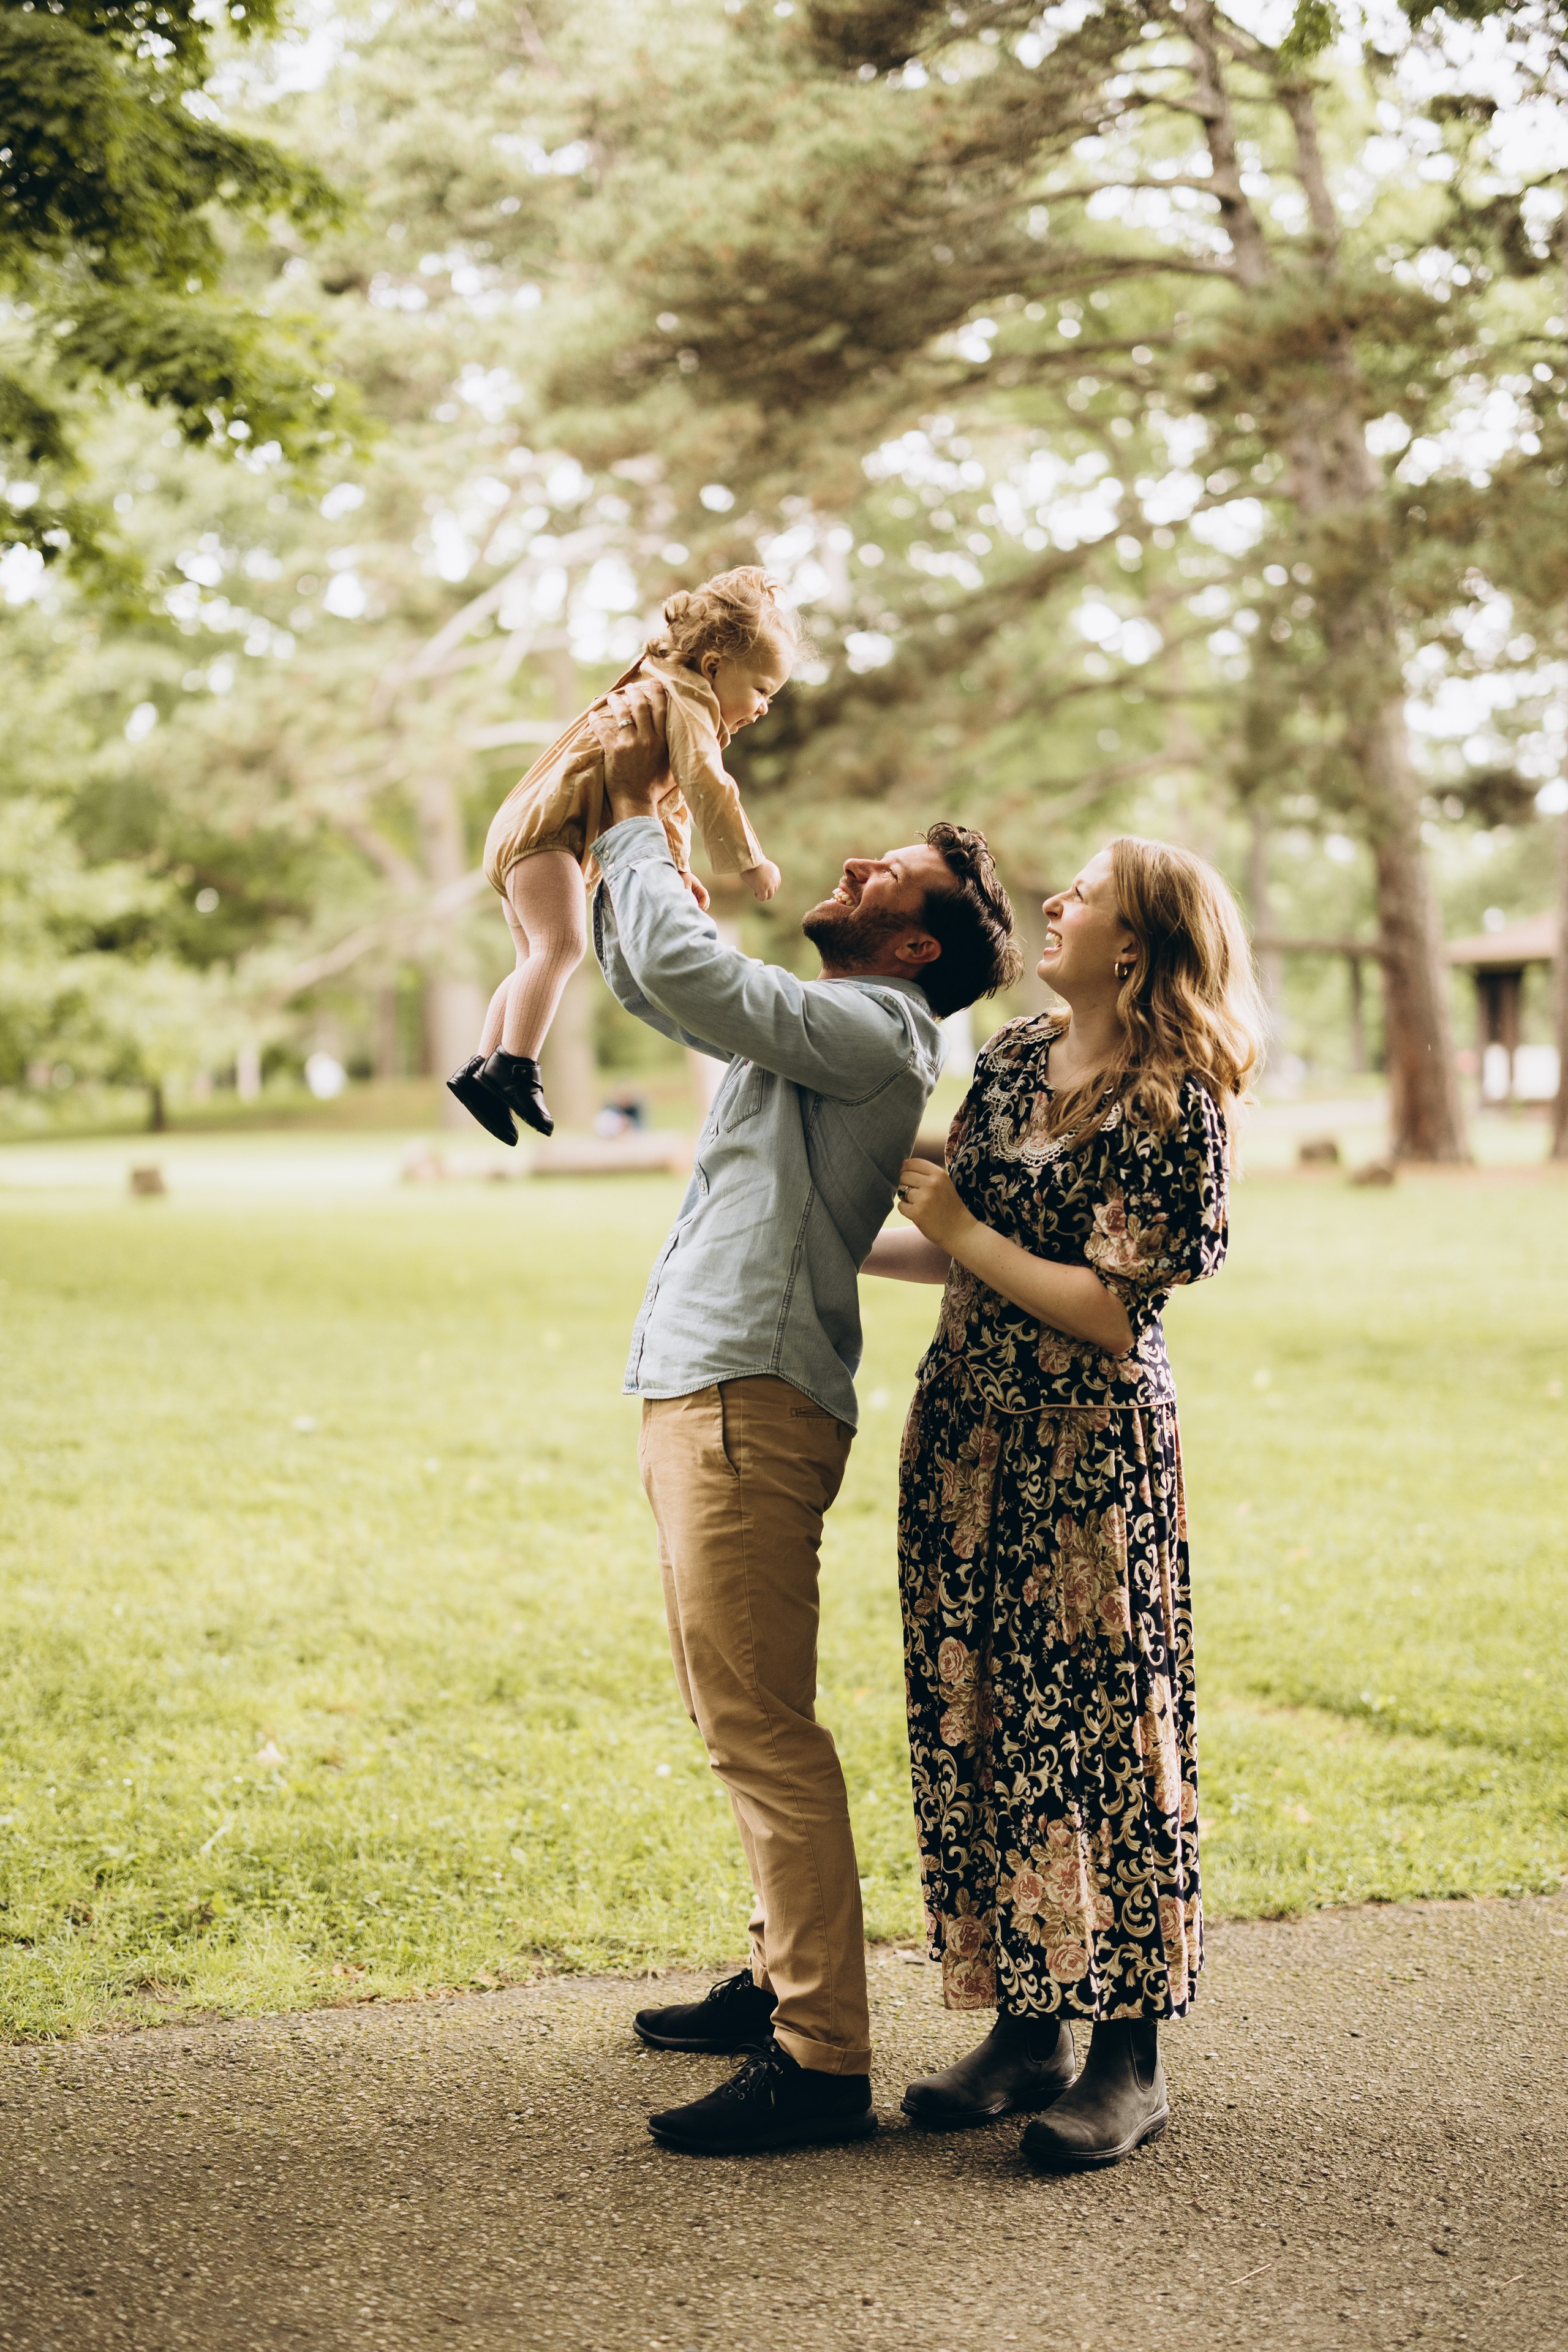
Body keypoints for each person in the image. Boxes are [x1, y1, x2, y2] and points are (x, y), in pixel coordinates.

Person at [588, 677, 1021, 2157]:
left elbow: (693, 978)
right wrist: (629, 858)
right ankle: (783, 1974)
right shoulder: (832, 1024)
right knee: (734, 1712)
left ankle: (819, 2053)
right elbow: (661, 983)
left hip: (744, 1399)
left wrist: (638, 821)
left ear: (915, 943)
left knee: (761, 1726)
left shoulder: (887, 1031)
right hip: (705, 1384)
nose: (850, 865)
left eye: (886, 873)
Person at [866, 835, 1264, 2170]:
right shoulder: (1016, 1060)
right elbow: (950, 1243)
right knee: (983, 1718)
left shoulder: (1173, 1105)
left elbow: (1105, 1306)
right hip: (965, 1443)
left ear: (1138, 943)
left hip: (1087, 1464)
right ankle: (1024, 2031)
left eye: (1084, 894)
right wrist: (790, 1227)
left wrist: (968, 1237)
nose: (1052, 901)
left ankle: (1127, 2061)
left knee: (1100, 1741)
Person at [447, 568, 790, 1146]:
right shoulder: (686, 701)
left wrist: (677, 870)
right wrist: (750, 859)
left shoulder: (667, 691)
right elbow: (705, 784)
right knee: (563, 945)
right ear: (713, 667)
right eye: (760, 689)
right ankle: (514, 1066)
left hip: (525, 830)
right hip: (547, 831)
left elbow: (667, 803)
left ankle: (481, 1070)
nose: (763, 708)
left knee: (534, 954)